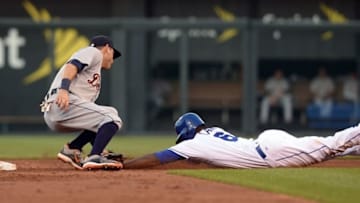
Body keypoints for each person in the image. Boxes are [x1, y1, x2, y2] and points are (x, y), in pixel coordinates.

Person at [124, 112, 360, 169]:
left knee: (331, 144)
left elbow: (159, 157)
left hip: (271, 153)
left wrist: (125, 165)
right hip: (269, 140)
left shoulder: (192, 144)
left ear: (186, 132)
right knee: (329, 147)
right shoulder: (212, 131)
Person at [40, 35, 123, 170]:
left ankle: (73, 148)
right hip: (63, 102)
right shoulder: (93, 52)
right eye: (114, 54)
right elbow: (72, 65)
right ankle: (94, 157)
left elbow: (94, 124)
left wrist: (101, 146)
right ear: (107, 48)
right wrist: (64, 89)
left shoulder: (92, 73)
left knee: (106, 116)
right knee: (112, 117)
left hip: (59, 109)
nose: (113, 60)